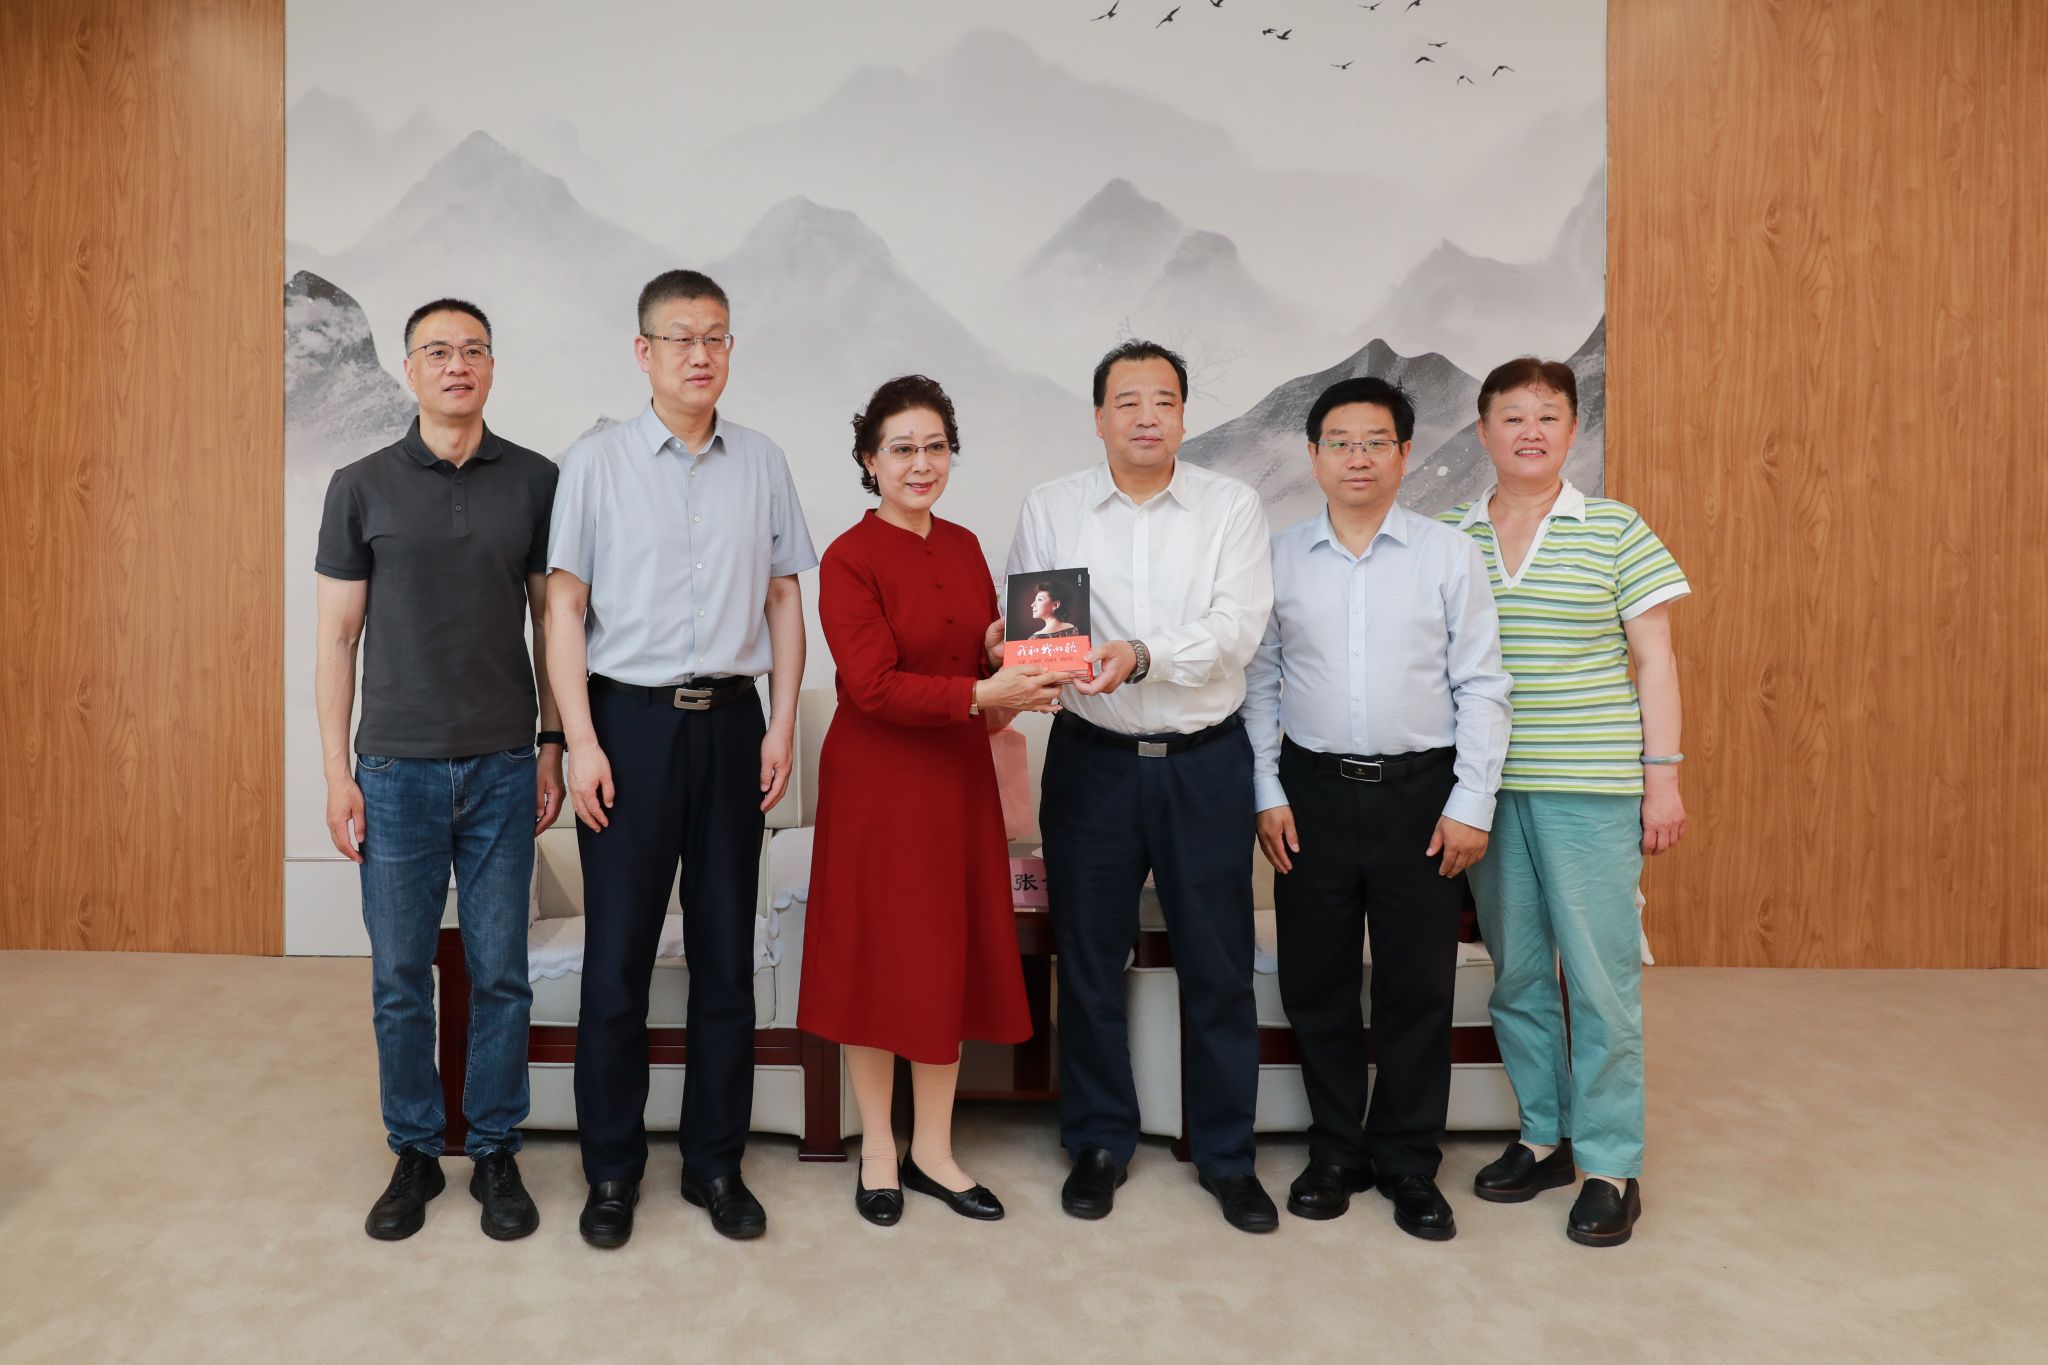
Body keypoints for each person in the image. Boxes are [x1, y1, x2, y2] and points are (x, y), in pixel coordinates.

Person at [545, 270, 816, 1248]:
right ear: (644, 352)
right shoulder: (596, 463)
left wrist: (781, 727)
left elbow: (784, 599)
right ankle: (612, 1171)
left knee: (725, 957)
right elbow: (564, 607)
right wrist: (581, 741)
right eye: (680, 338)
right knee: (616, 959)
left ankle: (715, 1164)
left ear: (730, 349)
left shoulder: (763, 461)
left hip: (734, 723)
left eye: (715, 337)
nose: (699, 355)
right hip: (628, 726)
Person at [1006, 340, 1278, 1233]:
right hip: (1093, 761)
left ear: (1185, 415)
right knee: (1089, 961)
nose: (1147, 415)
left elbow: (1236, 630)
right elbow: (1039, 629)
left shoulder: (1231, 506)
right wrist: (1023, 659)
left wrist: (1143, 654)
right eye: (1128, 401)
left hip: (1205, 762)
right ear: (1099, 417)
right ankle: (1097, 1142)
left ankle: (1227, 1153)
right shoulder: (1052, 507)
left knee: (1219, 965)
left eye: (1164, 399)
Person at [314, 297, 563, 1243]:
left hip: (503, 766)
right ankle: (415, 1149)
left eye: (473, 350)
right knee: (399, 976)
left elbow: (553, 626)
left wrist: (551, 743)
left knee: (502, 973)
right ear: (410, 368)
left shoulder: (535, 480)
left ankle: (495, 1147)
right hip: (394, 771)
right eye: (437, 351)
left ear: (492, 366)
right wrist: (337, 773)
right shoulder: (359, 485)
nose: (457, 365)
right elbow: (337, 638)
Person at [1244, 377, 1511, 1241]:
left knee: (1415, 986)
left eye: (1375, 442)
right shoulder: (1279, 556)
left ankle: (1407, 1160)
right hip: (1311, 794)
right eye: (1340, 441)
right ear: (1313, 454)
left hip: (1423, 795)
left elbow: (1483, 683)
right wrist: (1266, 790)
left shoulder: (1447, 554)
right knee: (1315, 981)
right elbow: (1259, 682)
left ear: (1404, 453)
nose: (1357, 457)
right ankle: (1336, 1152)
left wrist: (1472, 801)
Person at [799, 375, 1067, 1227]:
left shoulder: (964, 544)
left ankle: (935, 1150)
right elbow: (872, 685)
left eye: (936, 446)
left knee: (942, 958)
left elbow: (974, 654)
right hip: (877, 786)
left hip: (956, 779)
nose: (921, 463)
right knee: (876, 961)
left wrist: (1003, 652)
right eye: (902, 449)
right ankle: (880, 1147)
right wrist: (987, 690)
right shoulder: (848, 557)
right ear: (869, 461)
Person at [1443, 356, 1690, 1248]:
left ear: (1573, 430)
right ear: (1483, 432)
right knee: (1515, 975)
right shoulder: (1451, 535)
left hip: (1590, 786)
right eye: (1512, 416)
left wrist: (1663, 778)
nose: (1531, 431)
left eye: (1548, 415)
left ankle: (1611, 1163)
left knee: (1599, 979)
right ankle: (1543, 1136)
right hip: (1487, 790)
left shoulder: (1615, 528)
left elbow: (1654, 659)